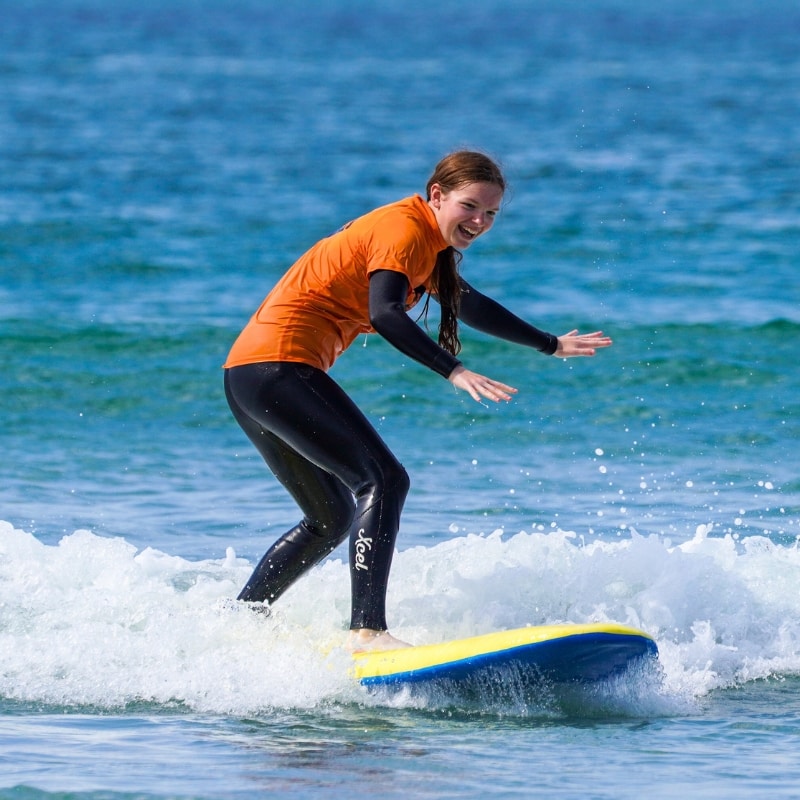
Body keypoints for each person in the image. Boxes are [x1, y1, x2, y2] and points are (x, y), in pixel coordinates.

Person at [223, 150, 611, 652]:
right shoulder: (403, 231)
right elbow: (385, 313)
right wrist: (453, 369)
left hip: (247, 377)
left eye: (491, 213)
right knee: (383, 480)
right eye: (470, 206)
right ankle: (367, 632)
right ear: (436, 195)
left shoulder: (427, 245)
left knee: (331, 517)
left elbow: (466, 303)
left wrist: (550, 343)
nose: (479, 221)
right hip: (277, 368)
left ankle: (239, 621)